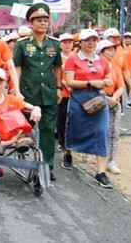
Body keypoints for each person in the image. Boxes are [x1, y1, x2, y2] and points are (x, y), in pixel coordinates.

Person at [13, 3, 62, 181]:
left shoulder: (54, 45)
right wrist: (16, 91)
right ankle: (29, 162)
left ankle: (47, 165)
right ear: (31, 23)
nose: (42, 23)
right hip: (28, 94)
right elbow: (17, 68)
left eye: (45, 20)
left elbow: (57, 68)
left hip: (48, 93)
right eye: (38, 20)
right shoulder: (22, 45)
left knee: (48, 131)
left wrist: (58, 88)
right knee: (28, 130)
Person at [64, 29, 114, 189]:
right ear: (81, 42)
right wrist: (91, 83)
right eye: (88, 40)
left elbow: (109, 76)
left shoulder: (102, 60)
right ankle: (69, 152)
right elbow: (70, 81)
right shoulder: (73, 59)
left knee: (101, 132)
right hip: (79, 98)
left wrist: (105, 81)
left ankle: (100, 172)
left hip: (98, 99)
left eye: (94, 40)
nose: (91, 43)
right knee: (74, 128)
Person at [96, 39, 126, 174]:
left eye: (114, 49)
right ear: (101, 52)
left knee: (113, 132)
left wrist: (114, 97)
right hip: (99, 101)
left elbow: (121, 86)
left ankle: (111, 160)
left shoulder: (115, 67)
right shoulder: (95, 66)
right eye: (109, 50)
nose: (113, 52)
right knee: (100, 131)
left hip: (113, 101)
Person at [58, 33, 75, 170]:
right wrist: (65, 84)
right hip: (62, 95)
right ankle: (65, 150)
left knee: (74, 123)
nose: (67, 44)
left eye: (70, 42)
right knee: (62, 123)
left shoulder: (76, 58)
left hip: (76, 95)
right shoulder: (57, 58)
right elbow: (56, 74)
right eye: (65, 42)